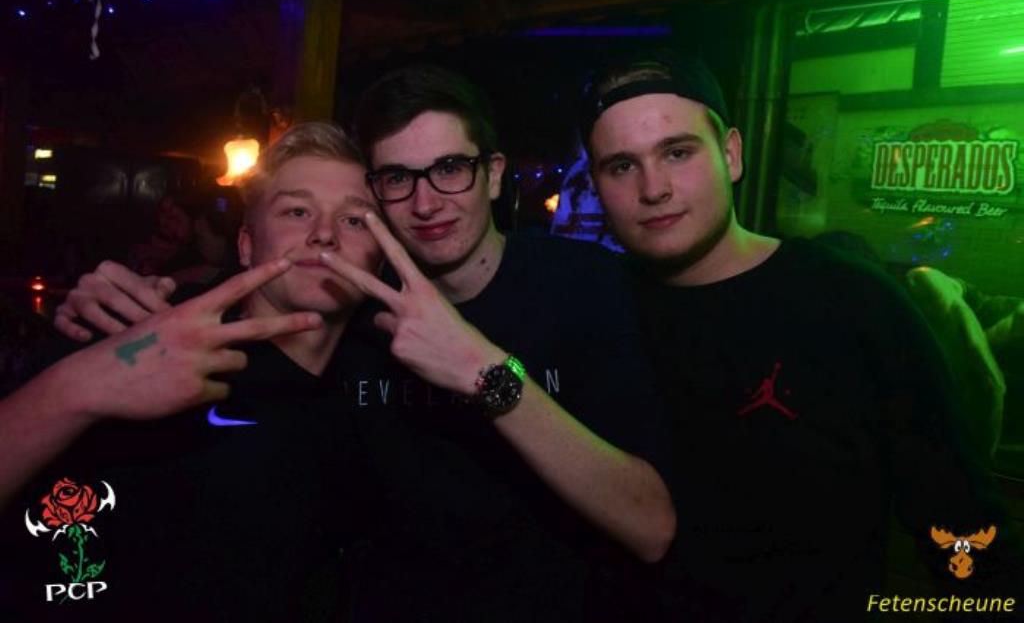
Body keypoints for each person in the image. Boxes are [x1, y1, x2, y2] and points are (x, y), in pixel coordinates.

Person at [52, 66, 677, 622]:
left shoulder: (584, 284)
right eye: (398, 178)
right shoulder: (355, 305)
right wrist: (118, 308)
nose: (426, 201)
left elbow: (651, 527)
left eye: (450, 169)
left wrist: (484, 371)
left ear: (491, 175)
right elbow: (264, 279)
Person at [578, 49, 1021, 621]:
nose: (653, 187)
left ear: (731, 153)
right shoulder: (591, 310)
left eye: (678, 152)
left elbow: (959, 514)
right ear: (597, 184)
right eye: (621, 166)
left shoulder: (849, 301)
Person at [0, 121, 383, 622]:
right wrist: (78, 383)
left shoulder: (377, 387)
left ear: (379, 261)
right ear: (246, 245)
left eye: (354, 220)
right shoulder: (143, 338)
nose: (325, 234)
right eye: (297, 211)